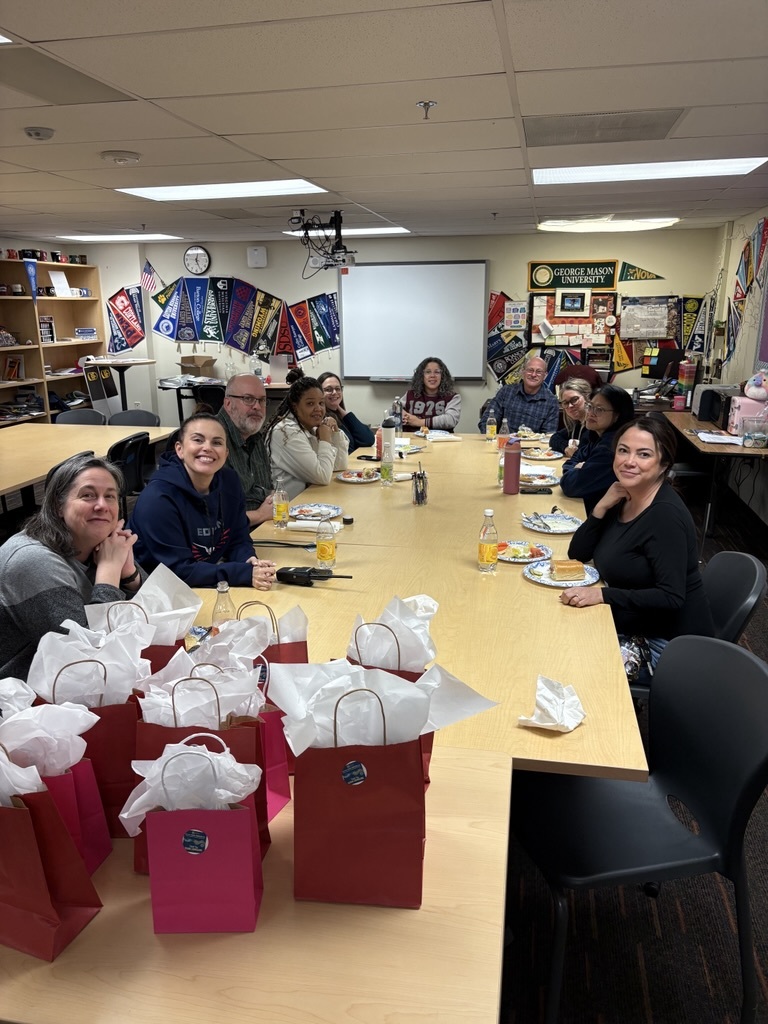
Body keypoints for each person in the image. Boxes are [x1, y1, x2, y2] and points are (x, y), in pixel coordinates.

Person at [561, 416, 714, 670]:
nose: (629, 462)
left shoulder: (664, 516)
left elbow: (671, 596)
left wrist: (602, 595)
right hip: (636, 623)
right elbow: (577, 553)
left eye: (643, 454)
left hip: (668, 645)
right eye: (623, 451)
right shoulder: (626, 494)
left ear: (664, 463)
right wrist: (600, 508)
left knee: (572, 658)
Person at [0, 454, 144, 679]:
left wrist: (128, 575)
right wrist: (108, 572)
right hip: (17, 693)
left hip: (62, 681)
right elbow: (87, 656)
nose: (102, 506)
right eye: (88, 495)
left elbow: (149, 615)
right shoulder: (33, 562)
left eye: (110, 496)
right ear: (58, 506)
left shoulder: (96, 541)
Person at [129, 413, 276, 589]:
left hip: (202, 581)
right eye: (198, 440)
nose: (207, 448)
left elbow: (238, 537)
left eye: (217, 442)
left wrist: (248, 560)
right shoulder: (158, 498)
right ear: (179, 449)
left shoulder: (229, 481)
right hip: (155, 592)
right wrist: (241, 573)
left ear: (226, 453)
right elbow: (177, 571)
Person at [266, 367, 349, 499]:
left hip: (311, 502)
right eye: (310, 403)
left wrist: (335, 432)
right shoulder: (286, 432)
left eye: (321, 403)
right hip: (289, 510)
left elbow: (340, 466)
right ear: (294, 406)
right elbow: (322, 476)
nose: (318, 409)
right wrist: (325, 439)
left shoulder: (311, 425)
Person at [559, 383, 635, 514]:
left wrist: (578, 468)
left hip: (606, 518)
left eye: (599, 409)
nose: (591, 413)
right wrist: (577, 467)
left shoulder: (611, 447)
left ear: (617, 415)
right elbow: (574, 459)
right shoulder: (596, 435)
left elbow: (570, 486)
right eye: (590, 407)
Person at [217, 373, 274, 527]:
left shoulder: (254, 436)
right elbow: (214, 519)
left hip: (262, 527)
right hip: (229, 542)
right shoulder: (214, 440)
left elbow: (267, 487)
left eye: (262, 400)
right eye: (248, 399)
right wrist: (260, 514)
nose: (257, 406)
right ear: (228, 404)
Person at [478, 356, 558, 435]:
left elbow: (548, 435)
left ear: (545, 375)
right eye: (530, 370)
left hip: (532, 446)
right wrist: (491, 439)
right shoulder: (506, 392)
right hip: (503, 444)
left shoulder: (551, 401)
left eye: (539, 372)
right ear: (523, 372)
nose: (533, 374)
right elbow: (487, 420)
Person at [316, 371, 375, 452]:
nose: (334, 392)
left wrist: (340, 409)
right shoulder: (324, 420)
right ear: (319, 393)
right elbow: (348, 449)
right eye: (328, 389)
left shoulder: (340, 416)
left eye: (338, 389)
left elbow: (368, 439)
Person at [401, 357, 461, 432]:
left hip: (441, 441)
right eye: (428, 372)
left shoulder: (453, 397)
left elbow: (451, 420)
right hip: (412, 439)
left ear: (443, 376)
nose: (432, 375)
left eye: (437, 372)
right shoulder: (410, 395)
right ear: (421, 376)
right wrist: (400, 413)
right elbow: (392, 411)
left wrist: (419, 422)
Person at [549, 378, 592, 457]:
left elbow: (584, 453)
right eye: (565, 403)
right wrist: (566, 448)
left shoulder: (594, 426)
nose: (570, 406)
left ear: (588, 397)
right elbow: (554, 439)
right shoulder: (577, 425)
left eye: (574, 399)